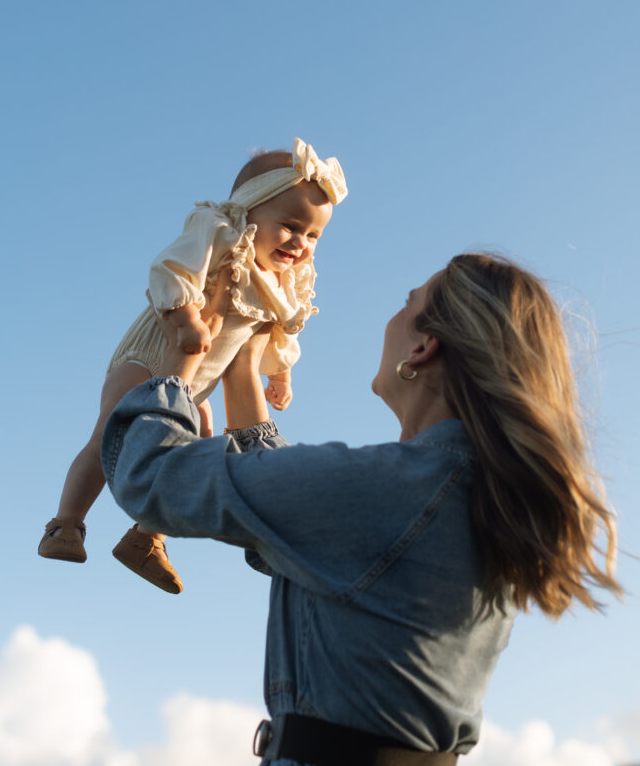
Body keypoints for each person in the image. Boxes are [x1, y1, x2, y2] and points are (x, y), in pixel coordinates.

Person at [100, 252, 621, 765]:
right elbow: (303, 524)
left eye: (407, 302)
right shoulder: (470, 492)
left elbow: (151, 478)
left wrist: (178, 364)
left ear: (422, 347)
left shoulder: (396, 489)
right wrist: (243, 371)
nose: (390, 317)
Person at [38, 137, 347, 595]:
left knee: (195, 451)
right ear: (247, 211)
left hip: (195, 383)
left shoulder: (284, 282)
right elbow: (171, 270)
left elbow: (282, 331)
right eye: (288, 226)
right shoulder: (221, 240)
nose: (300, 243)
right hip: (150, 356)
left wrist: (279, 372)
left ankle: (147, 539)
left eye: (312, 234)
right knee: (110, 430)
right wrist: (184, 318)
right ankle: (66, 524)